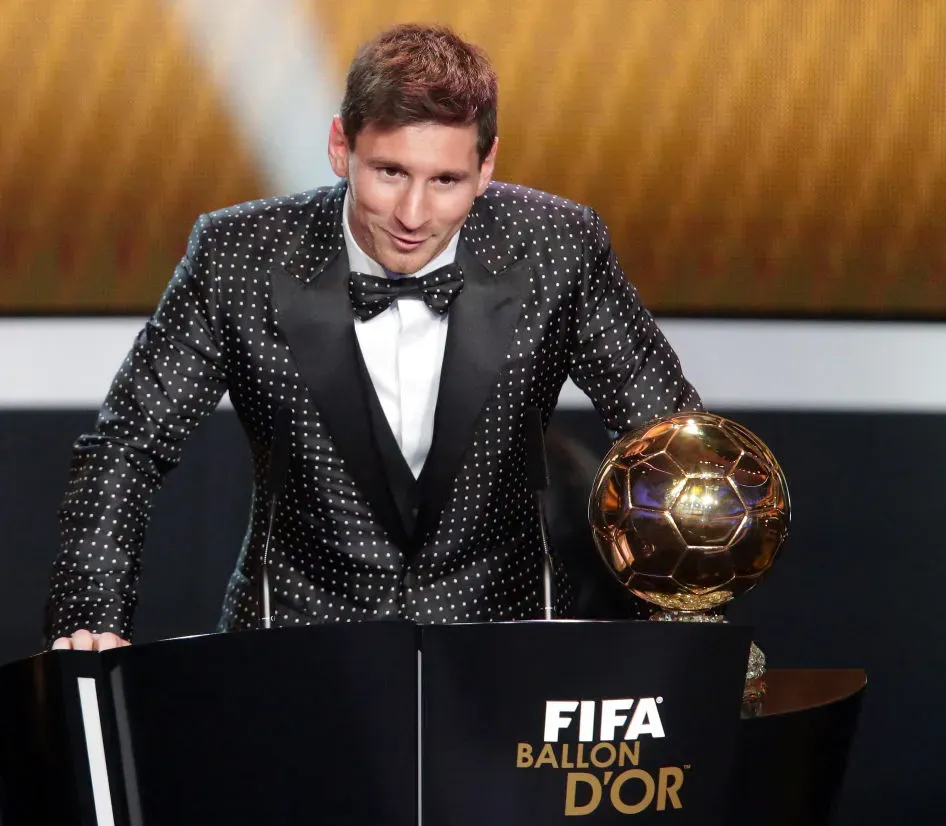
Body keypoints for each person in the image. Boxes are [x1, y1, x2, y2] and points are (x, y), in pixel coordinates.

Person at [47, 23, 701, 651]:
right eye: (390, 172)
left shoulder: (558, 247)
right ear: (341, 146)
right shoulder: (236, 254)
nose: (413, 215)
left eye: (445, 180)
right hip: (294, 650)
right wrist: (90, 617)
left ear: (486, 165)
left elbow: (676, 441)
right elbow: (127, 444)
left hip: (502, 651)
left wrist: (686, 622)